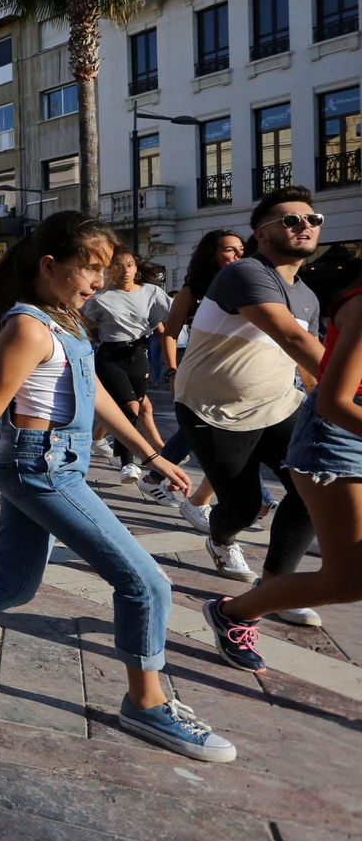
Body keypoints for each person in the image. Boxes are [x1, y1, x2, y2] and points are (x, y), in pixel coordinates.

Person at [0, 211, 236, 764]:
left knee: (13, 582)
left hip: (54, 464)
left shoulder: (65, 318)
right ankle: (146, 703)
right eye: (91, 267)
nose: (99, 279)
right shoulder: (28, 326)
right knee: (146, 583)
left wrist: (151, 453)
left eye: (104, 269)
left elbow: (95, 392)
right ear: (50, 266)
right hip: (42, 466)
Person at [202, 262, 362, 671]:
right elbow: (334, 399)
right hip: (340, 438)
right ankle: (234, 611)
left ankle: (265, 591)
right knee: (347, 580)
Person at [173, 188, 324, 615]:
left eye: (313, 219)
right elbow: (293, 337)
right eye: (291, 220)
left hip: (279, 405)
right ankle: (220, 538)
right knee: (242, 507)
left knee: (314, 487)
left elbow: (307, 360)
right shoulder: (246, 273)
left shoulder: (308, 296)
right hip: (213, 410)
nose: (305, 225)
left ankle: (275, 589)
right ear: (260, 233)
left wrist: (324, 404)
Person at [142, 231, 245, 515]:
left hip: (237, 373)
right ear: (212, 253)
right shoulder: (193, 291)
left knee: (204, 432)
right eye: (229, 249)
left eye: (241, 248)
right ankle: (254, 498)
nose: (238, 254)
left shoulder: (248, 285)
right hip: (201, 371)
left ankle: (154, 479)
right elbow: (170, 334)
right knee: (214, 433)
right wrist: (172, 371)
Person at [83, 248, 171, 482]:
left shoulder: (151, 292)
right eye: (118, 266)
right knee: (131, 407)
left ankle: (108, 446)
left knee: (136, 407)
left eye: (129, 265)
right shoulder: (101, 297)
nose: (125, 270)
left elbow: (166, 319)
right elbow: (84, 322)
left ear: (136, 268)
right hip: (110, 356)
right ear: (110, 270)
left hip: (138, 354)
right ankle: (128, 463)